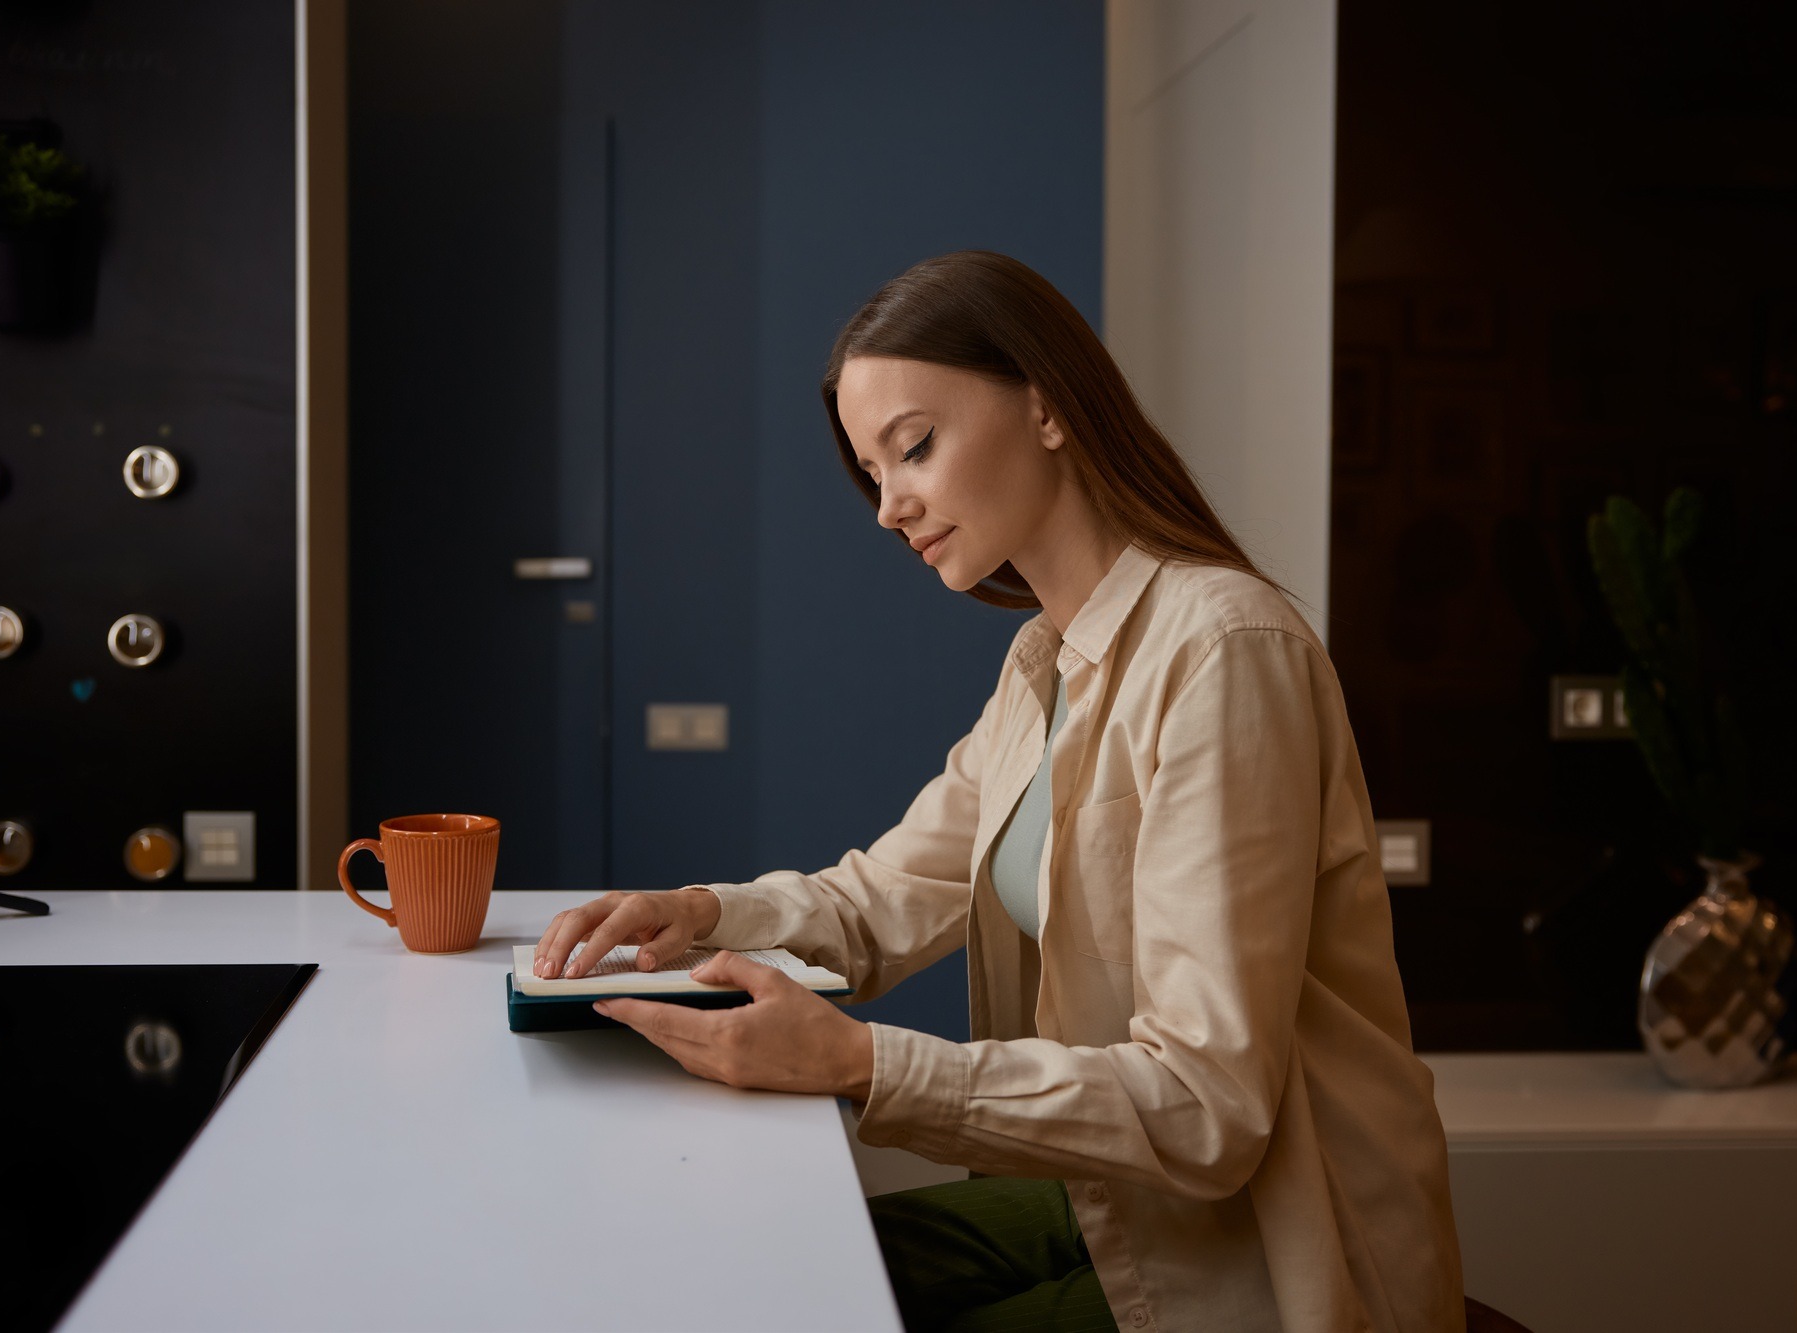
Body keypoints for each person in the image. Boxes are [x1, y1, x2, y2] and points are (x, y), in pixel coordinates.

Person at [534, 251, 1464, 1332]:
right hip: (1129, 1204)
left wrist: (861, 1062)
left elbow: (1213, 1104)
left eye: (913, 447)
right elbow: (880, 901)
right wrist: (692, 914)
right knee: (744, 1273)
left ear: (1048, 405)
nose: (889, 507)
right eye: (871, 474)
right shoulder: (1041, 665)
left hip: (1270, 1251)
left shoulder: (1221, 649)